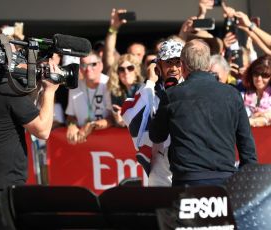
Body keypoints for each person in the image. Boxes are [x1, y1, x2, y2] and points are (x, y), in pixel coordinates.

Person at [0, 39, 61, 207]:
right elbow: (43, 131)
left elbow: (7, 113)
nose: (18, 59)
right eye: (14, 55)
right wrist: (50, 91)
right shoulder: (7, 91)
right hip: (3, 184)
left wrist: (34, 85)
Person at [149, 39, 257, 187]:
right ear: (207, 64)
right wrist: (247, 181)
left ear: (183, 64)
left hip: (187, 181)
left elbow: (156, 135)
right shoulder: (232, 94)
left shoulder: (172, 95)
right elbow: (247, 146)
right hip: (224, 181)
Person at [121, 39, 185, 186]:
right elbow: (131, 116)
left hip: (187, 164)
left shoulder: (191, 89)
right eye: (169, 62)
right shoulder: (149, 90)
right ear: (159, 66)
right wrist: (150, 81)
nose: (174, 68)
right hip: (160, 167)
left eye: (177, 62)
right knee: (161, 208)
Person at [65, 51, 113, 144]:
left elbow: (113, 119)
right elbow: (71, 116)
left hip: (108, 142)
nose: (88, 69)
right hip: (84, 143)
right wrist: (71, 125)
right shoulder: (75, 87)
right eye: (83, 65)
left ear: (101, 65)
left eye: (93, 64)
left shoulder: (109, 84)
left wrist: (91, 125)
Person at [107, 53, 144, 127]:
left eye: (130, 68)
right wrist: (119, 119)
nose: (126, 72)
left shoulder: (143, 88)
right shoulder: (115, 91)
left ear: (136, 71)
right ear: (117, 73)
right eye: (121, 69)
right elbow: (117, 116)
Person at [241, 55, 271, 127]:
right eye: (256, 73)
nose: (259, 79)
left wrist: (263, 116)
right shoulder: (242, 92)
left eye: (265, 75)